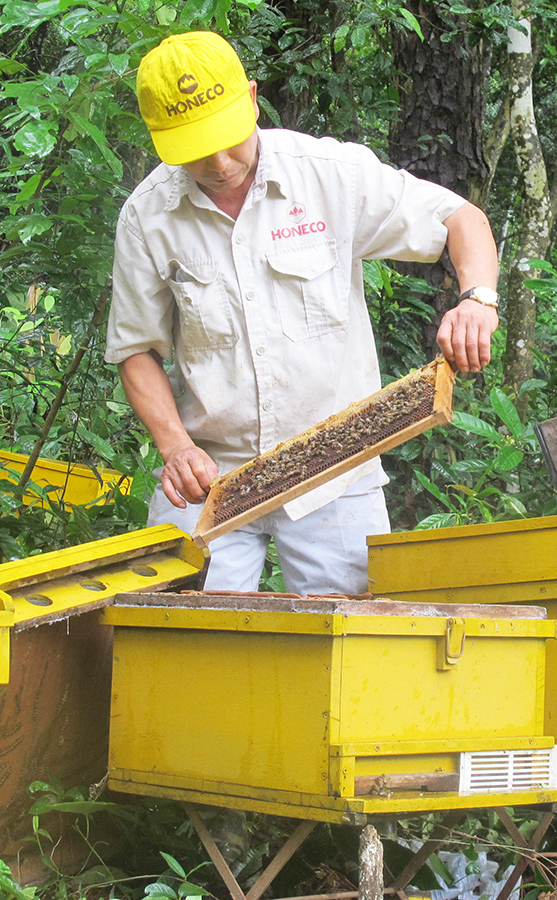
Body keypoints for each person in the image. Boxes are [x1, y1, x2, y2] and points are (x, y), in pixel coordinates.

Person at [105, 31, 500, 596]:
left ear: (253, 98)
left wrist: (478, 299)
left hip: (337, 471)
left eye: (227, 138)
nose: (219, 163)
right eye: (195, 149)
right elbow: (135, 347)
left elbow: (461, 218)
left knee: (352, 656)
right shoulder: (148, 215)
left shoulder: (327, 173)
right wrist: (175, 447)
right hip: (212, 478)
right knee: (172, 644)